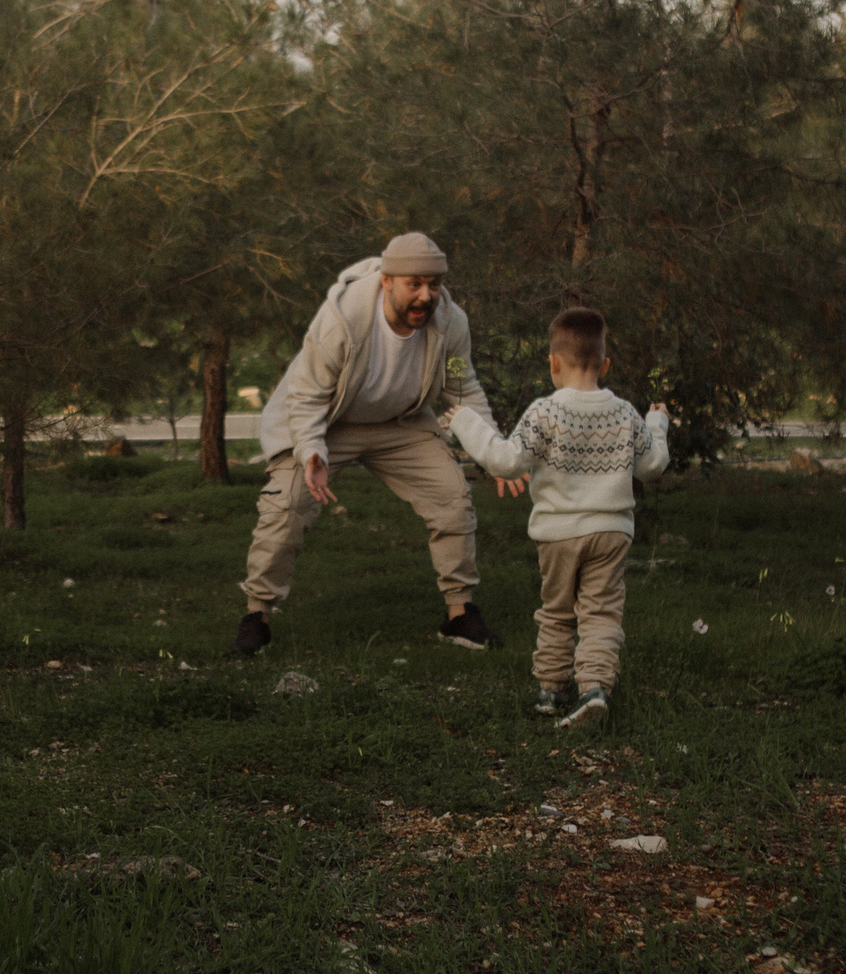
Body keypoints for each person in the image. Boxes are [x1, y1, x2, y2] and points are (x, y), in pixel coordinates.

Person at [232, 231, 518, 656]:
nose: (426, 296)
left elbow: (462, 387)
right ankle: (257, 617)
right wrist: (311, 451)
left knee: (453, 498)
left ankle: (460, 615)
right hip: (328, 420)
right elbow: (307, 395)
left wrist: (494, 452)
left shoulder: (451, 323)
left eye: (434, 285)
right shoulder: (341, 319)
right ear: (387, 280)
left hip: (399, 423)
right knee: (287, 502)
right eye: (414, 285)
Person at [445, 306, 669, 729]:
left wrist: (464, 420)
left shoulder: (545, 412)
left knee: (557, 610)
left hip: (557, 534)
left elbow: (504, 461)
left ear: (553, 363)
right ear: (605, 364)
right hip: (611, 531)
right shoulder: (625, 413)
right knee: (601, 612)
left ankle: (550, 690)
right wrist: (658, 422)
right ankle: (595, 689)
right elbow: (652, 466)